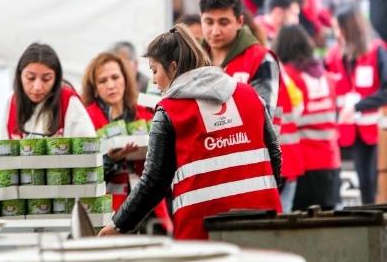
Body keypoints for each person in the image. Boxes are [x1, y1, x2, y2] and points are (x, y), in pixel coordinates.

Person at [98, 24, 282, 239]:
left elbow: (154, 181)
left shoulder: (169, 111)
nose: (154, 80)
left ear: (173, 67)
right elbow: (275, 155)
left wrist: (118, 225)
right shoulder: (249, 95)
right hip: (263, 222)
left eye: (155, 70)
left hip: (203, 233)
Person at [199, 0, 303, 213]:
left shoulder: (260, 59)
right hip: (209, 175)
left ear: (239, 21)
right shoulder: (193, 61)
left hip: (258, 172)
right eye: (209, 22)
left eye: (223, 22)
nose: (215, 30)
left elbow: (258, 115)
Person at [82, 52, 172, 233]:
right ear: (94, 87)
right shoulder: (87, 119)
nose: (111, 85)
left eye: (115, 77)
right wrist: (110, 160)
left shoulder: (146, 112)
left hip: (150, 210)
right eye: (102, 81)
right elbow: (83, 176)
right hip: (108, 214)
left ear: (126, 79)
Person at [325, 1, 387, 204]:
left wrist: (357, 106)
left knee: (374, 182)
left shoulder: (377, 51)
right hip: (351, 131)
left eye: (339, 28)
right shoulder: (334, 56)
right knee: (364, 183)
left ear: (350, 27)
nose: (336, 34)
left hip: (377, 130)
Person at [273, 25, 341, 210]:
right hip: (331, 160)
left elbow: (290, 115)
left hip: (306, 163)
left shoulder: (289, 76)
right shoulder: (326, 76)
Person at [5, 42, 95, 138]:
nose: (37, 87)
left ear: (56, 78)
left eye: (46, 79)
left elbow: (88, 145)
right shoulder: (12, 101)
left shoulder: (68, 100)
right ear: (19, 75)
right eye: (30, 77)